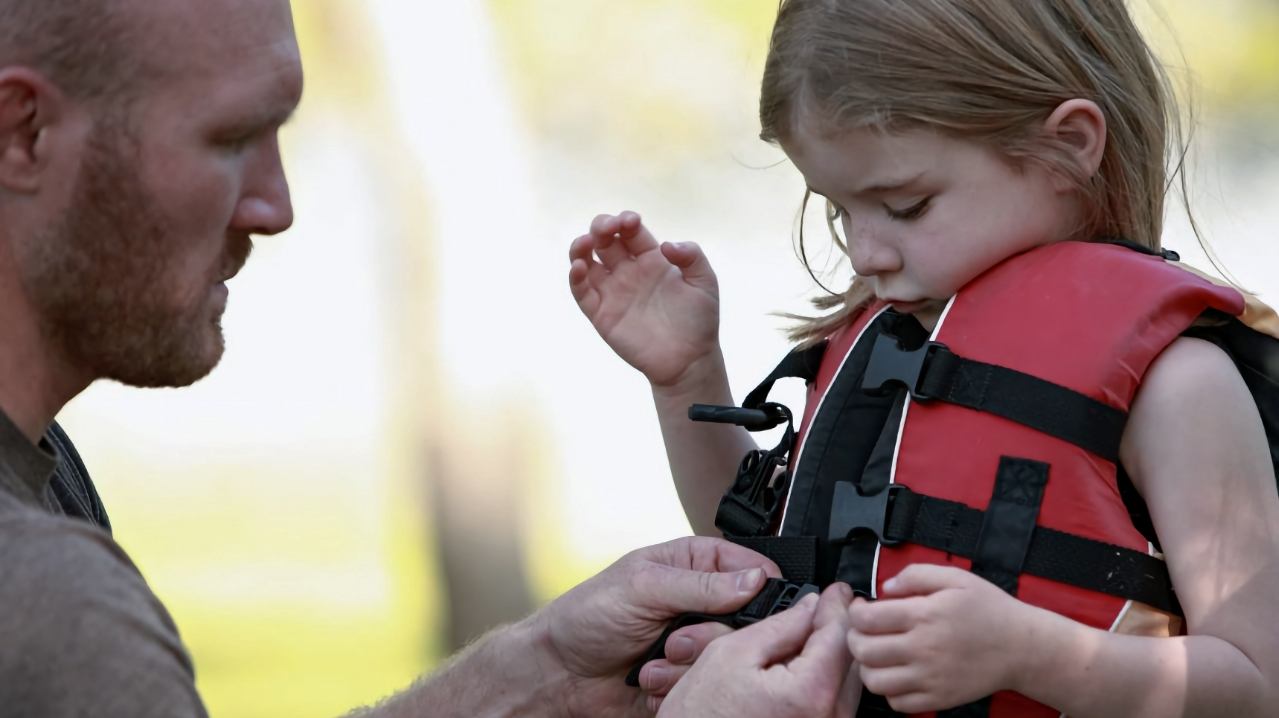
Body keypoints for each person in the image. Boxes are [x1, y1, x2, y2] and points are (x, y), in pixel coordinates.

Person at [0, 0, 855, 715]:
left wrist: (542, 671)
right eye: (229, 140)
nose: (277, 206)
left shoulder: (44, 470)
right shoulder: (51, 605)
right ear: (22, 133)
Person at [569, 0, 1279, 715]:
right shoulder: (880, 349)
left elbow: (1256, 685)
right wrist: (684, 377)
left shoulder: (1177, 386)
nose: (864, 252)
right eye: (838, 210)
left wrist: (1030, 654)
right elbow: (759, 563)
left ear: (1067, 145)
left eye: (905, 206)